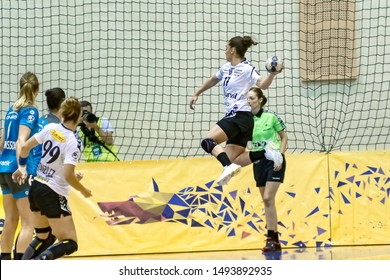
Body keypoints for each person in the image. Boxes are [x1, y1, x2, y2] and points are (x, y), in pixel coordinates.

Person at [189, 35, 283, 186]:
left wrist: (272, 74)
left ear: (233, 50)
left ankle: (227, 167)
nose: (225, 52)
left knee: (207, 141)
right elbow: (213, 79)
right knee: (233, 158)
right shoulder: (226, 68)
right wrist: (197, 93)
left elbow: (262, 85)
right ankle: (267, 152)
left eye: (226, 49)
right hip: (241, 120)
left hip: (239, 115)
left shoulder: (247, 69)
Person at [12, 97, 92, 260]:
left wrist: (22, 167)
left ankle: (20, 269)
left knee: (44, 237)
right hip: (53, 193)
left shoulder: (50, 128)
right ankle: (37, 264)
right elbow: (69, 175)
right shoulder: (73, 141)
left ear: (62, 113)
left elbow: (25, 147)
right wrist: (84, 191)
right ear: (79, 117)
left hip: (36, 188)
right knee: (70, 242)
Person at [234, 87, 288, 253]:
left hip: (274, 161)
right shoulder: (246, 121)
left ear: (259, 99)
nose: (248, 101)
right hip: (258, 161)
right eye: (247, 98)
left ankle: (270, 237)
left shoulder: (271, 116)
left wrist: (280, 155)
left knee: (268, 197)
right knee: (267, 201)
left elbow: (283, 137)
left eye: (251, 98)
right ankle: (275, 240)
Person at [0, 71, 40, 260]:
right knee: (28, 223)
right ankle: (21, 269)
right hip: (16, 171)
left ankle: (5, 262)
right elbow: (20, 141)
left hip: (4, 168)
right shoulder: (30, 110)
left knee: (10, 220)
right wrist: (22, 167)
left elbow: (3, 141)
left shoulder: (12, 109)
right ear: (37, 89)